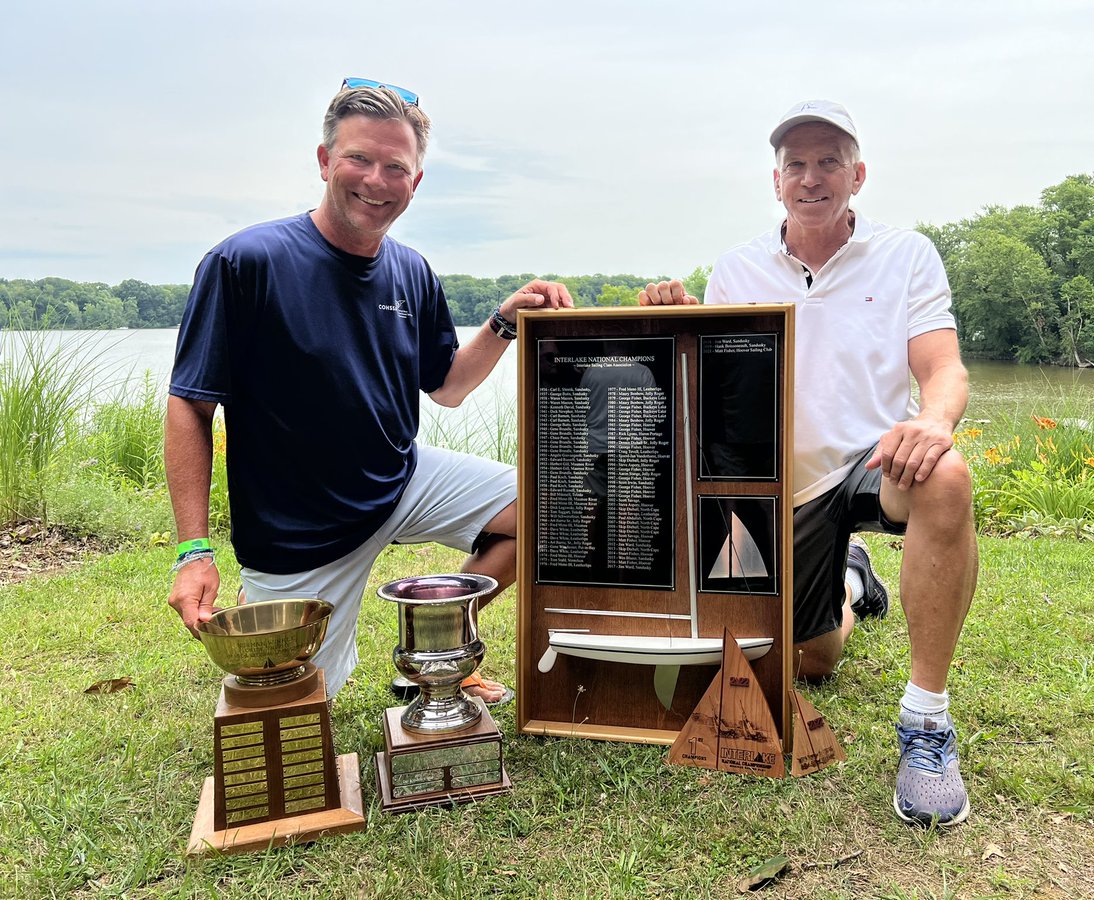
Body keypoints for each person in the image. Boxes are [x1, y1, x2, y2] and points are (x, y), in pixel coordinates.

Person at [166, 79, 572, 704]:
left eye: (396, 167)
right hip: (300, 529)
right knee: (293, 709)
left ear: (416, 182)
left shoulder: (411, 270)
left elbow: (449, 387)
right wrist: (194, 550)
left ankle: (441, 649)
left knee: (554, 509)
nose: (376, 181)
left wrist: (504, 322)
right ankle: (273, 598)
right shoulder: (246, 262)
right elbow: (190, 406)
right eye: (359, 158)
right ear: (325, 160)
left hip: (400, 476)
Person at [640, 100, 977, 826]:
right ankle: (851, 583)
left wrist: (933, 420)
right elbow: (713, 383)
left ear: (858, 174)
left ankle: (925, 723)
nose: (812, 176)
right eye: (796, 163)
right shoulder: (736, 267)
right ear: (776, 180)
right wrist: (677, 319)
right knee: (811, 662)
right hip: (768, 484)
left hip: (868, 460)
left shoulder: (907, 254)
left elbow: (943, 367)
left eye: (829, 162)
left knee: (946, 473)